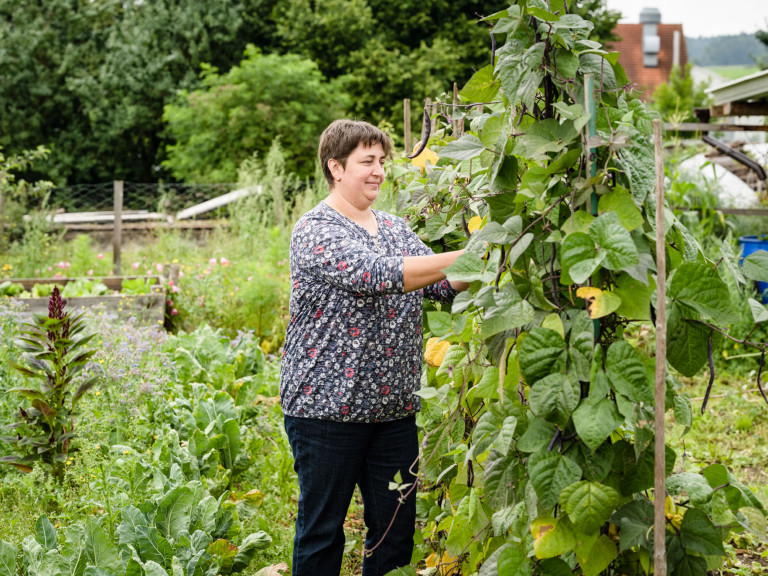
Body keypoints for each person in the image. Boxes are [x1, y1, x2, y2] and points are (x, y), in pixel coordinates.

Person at [280, 119, 468, 576]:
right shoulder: (316, 230)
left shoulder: (394, 227)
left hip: (393, 412)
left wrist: (500, 256)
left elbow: (442, 287)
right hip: (326, 410)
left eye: (381, 161)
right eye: (367, 161)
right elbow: (376, 275)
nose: (378, 171)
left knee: (393, 534)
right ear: (336, 167)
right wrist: (471, 254)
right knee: (322, 532)